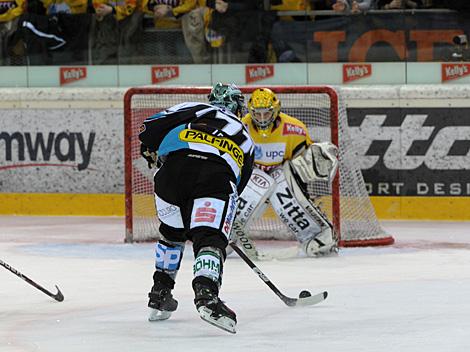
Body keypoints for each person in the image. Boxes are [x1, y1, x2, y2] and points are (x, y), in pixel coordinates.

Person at [138, 82, 255, 334]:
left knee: (171, 233)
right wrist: (220, 225)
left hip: (170, 174)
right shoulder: (245, 134)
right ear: (238, 106)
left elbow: (150, 126)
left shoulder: (196, 108)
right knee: (209, 238)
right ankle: (207, 296)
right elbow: (240, 181)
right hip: (215, 176)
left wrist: (148, 146)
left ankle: (160, 293)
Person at [236, 88, 339, 258]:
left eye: (266, 114)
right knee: (257, 181)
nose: (262, 119)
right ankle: (226, 232)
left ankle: (316, 236)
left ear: (275, 111)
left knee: (280, 181)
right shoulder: (240, 127)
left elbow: (302, 166)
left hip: (282, 177)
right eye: (257, 114)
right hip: (252, 176)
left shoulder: (294, 129)